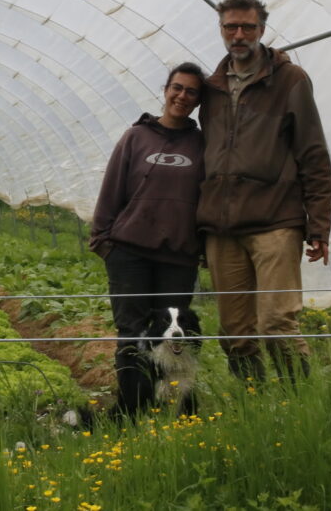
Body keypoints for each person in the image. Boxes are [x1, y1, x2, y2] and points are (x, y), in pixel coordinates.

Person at [197, 0, 331, 384]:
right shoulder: (212, 87)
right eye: (231, 27)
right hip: (223, 227)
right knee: (234, 332)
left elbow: (313, 153)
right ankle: (253, 401)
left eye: (248, 27)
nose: (239, 35)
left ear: (262, 29)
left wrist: (319, 225)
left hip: (275, 220)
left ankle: (299, 401)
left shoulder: (290, 80)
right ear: (221, 29)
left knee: (277, 323)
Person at [90, 62, 206, 416]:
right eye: (177, 88)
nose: (182, 96)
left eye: (191, 92)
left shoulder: (201, 144)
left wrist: (202, 247)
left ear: (199, 100)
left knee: (174, 333)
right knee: (131, 333)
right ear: (165, 90)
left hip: (178, 257)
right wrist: (104, 241)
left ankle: (173, 407)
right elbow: (112, 189)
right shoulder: (136, 137)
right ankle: (131, 411)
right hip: (130, 254)